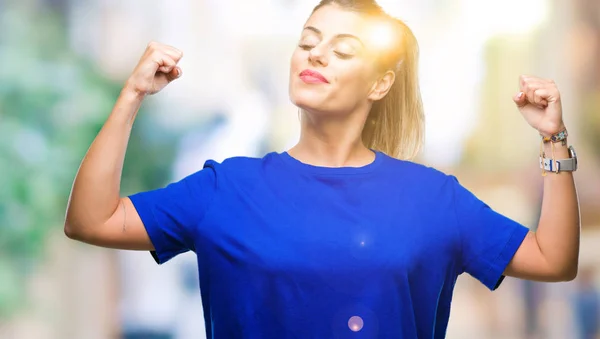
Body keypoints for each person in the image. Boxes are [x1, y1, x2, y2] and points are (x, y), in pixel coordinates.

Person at [63, 0, 581, 338]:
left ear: (379, 84)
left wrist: (553, 138)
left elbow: (553, 259)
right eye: (308, 42)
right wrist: (132, 95)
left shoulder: (431, 198)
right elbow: (91, 220)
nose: (316, 56)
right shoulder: (226, 188)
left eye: (343, 50)